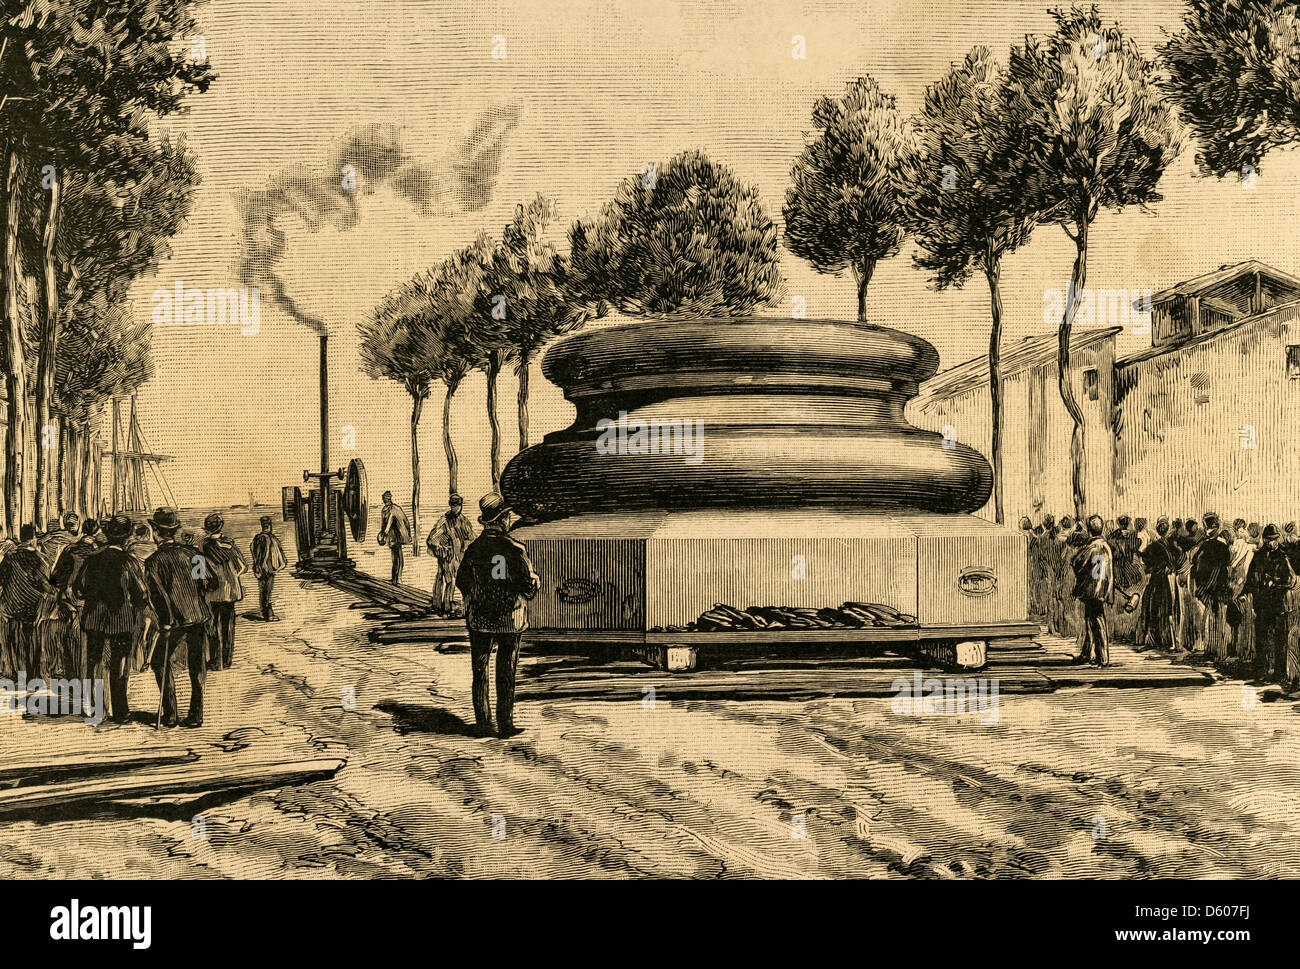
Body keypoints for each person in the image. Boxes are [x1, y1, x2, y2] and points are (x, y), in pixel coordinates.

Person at [456, 493, 539, 737]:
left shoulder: (473, 549)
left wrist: (478, 597)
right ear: (502, 520)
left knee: (479, 671)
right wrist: (533, 585)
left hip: (480, 619)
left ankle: (483, 724)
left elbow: (462, 581)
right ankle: (505, 724)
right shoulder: (515, 549)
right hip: (510, 620)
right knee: (506, 672)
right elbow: (527, 585)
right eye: (507, 516)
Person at [74, 515, 148, 723]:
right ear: (126, 538)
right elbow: (141, 594)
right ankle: (120, 711)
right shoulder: (129, 561)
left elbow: (78, 589)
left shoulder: (92, 559)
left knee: (93, 663)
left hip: (94, 618)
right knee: (120, 664)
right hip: (122, 620)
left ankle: (93, 709)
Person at [145, 507, 210, 728]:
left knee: (159, 663)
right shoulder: (194, 554)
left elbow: (158, 596)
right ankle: (196, 715)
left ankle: (171, 714)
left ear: (155, 531)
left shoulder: (153, 561)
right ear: (175, 530)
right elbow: (208, 583)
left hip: (173, 621)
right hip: (199, 616)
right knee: (197, 666)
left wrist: (165, 621)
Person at [1071, 515, 1138, 667]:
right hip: (1102, 588)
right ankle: (1087, 653)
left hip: (1093, 589)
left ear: (1089, 530)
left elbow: (1076, 562)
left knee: (1097, 621)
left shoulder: (1091, 547)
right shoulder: (1106, 546)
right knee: (1090, 620)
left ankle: (1103, 657)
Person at [1241, 524, 1297, 684]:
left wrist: (1274, 581)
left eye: (1273, 540)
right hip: (1261, 604)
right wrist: (1244, 593)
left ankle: (1279, 674)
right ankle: (1262, 671)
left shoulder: (1283, 556)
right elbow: (1251, 577)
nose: (1270, 543)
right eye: (1267, 540)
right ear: (1263, 539)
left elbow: (1289, 579)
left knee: (1280, 640)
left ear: (1278, 539)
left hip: (1278, 604)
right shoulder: (1258, 556)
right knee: (1262, 639)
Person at [0, 524, 54, 679]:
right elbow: (45, 583)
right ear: (33, 539)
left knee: (15, 640)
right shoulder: (38, 558)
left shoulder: (10, 557)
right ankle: (33, 674)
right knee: (32, 640)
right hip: (32, 605)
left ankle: (18, 672)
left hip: (12, 604)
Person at [50, 519, 101, 680]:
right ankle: (90, 676)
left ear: (82, 531)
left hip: (70, 598)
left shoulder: (70, 549)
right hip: (92, 600)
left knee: (68, 636)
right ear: (96, 532)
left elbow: (55, 577)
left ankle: (71, 674)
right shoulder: (100, 550)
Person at [200, 513, 248, 671]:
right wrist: (231, 576)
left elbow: (198, 573)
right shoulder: (230, 544)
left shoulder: (201, 546)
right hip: (230, 593)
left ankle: (214, 661)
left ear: (207, 528)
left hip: (211, 593)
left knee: (212, 628)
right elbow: (243, 567)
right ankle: (226, 661)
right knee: (228, 628)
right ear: (221, 527)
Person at [1136, 517, 1184, 651]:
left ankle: (1156, 640)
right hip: (1167, 581)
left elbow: (1146, 564)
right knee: (1168, 609)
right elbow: (1179, 559)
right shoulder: (1172, 545)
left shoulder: (1154, 546)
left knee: (1155, 608)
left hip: (1158, 581)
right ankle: (1170, 642)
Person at [1189, 514, 1233, 658]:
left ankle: (1214, 650)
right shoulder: (1219, 546)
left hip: (1211, 588)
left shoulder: (1207, 546)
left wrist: (1203, 587)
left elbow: (1197, 562)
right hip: (1216, 587)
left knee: (1213, 618)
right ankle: (1217, 651)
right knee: (1218, 619)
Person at [427, 494, 476, 616]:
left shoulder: (464, 521)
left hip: (459, 556)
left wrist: (466, 547)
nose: (456, 508)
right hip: (446, 556)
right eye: (454, 505)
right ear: (450, 506)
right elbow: (432, 538)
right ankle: (440, 605)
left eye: (458, 506)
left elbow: (471, 537)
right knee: (444, 579)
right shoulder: (444, 520)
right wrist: (441, 548)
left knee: (453, 581)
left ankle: (447, 605)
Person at [250, 516, 287, 622]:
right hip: (267, 569)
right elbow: (264, 554)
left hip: (262, 568)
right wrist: (264, 566)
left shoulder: (258, 537)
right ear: (269, 525)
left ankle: (265, 613)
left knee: (263, 591)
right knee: (266, 592)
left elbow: (253, 551)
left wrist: (256, 566)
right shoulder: (267, 538)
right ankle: (268, 615)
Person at [378, 491, 412, 585]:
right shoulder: (390, 509)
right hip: (396, 536)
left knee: (397, 557)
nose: (384, 500)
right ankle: (396, 578)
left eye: (385, 498)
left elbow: (389, 522)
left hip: (396, 536)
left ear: (387, 499)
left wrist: (384, 534)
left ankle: (397, 578)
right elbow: (406, 522)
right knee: (397, 557)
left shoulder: (392, 509)